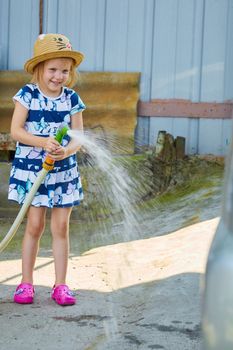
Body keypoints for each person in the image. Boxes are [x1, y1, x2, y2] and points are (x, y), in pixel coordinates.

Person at [8, 33, 86, 306]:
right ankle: (26, 283)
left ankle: (61, 285)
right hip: (33, 170)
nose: (58, 76)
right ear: (39, 68)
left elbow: (78, 137)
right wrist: (43, 142)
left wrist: (67, 150)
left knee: (61, 227)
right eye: (53, 69)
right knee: (34, 225)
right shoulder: (27, 95)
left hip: (63, 172)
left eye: (65, 70)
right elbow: (16, 131)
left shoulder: (72, 98)